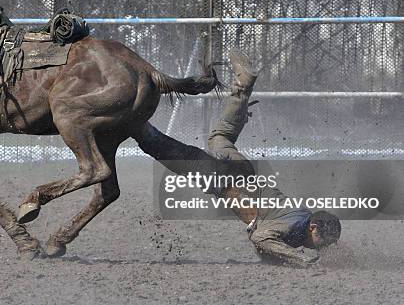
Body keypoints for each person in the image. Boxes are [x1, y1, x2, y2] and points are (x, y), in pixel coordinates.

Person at [133, 51, 341, 268]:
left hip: (243, 176)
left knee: (219, 138)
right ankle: (138, 128)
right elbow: (260, 238)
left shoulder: (304, 219)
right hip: (227, 181)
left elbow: (268, 247)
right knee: (171, 153)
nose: (321, 247)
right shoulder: (292, 227)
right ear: (313, 227)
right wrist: (302, 259)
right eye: (322, 243)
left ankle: (242, 91)